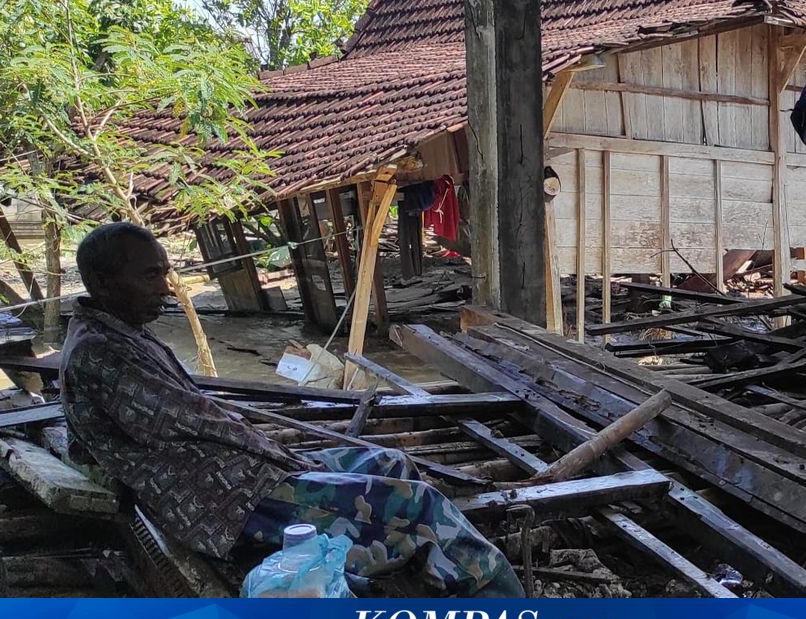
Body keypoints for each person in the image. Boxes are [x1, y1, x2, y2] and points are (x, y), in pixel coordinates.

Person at [59, 222, 523, 598]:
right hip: (223, 499)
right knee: (421, 504)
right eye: (150, 276)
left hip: (240, 473)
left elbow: (194, 416)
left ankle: (407, 574)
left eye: (164, 273)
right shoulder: (102, 351)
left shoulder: (121, 332)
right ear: (102, 283)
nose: (165, 288)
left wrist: (280, 457)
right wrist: (283, 458)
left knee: (390, 462)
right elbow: (196, 418)